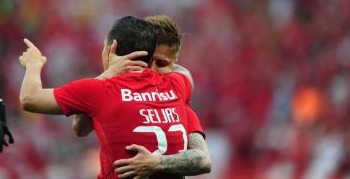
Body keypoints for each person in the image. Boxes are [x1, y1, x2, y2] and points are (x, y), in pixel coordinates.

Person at [18, 16, 209, 179]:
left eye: (161, 64)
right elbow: (80, 128)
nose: (154, 70)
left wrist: (34, 64)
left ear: (111, 49)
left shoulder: (101, 90)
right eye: (152, 62)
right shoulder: (178, 86)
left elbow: (30, 99)